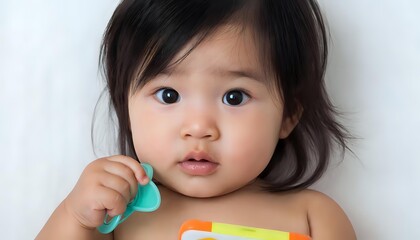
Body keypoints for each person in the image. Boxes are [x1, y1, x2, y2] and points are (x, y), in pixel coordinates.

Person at [37, 0, 357, 239]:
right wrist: (75, 218)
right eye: (168, 95)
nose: (198, 128)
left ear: (288, 114)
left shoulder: (312, 216)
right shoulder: (115, 216)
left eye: (234, 97)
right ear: (127, 108)